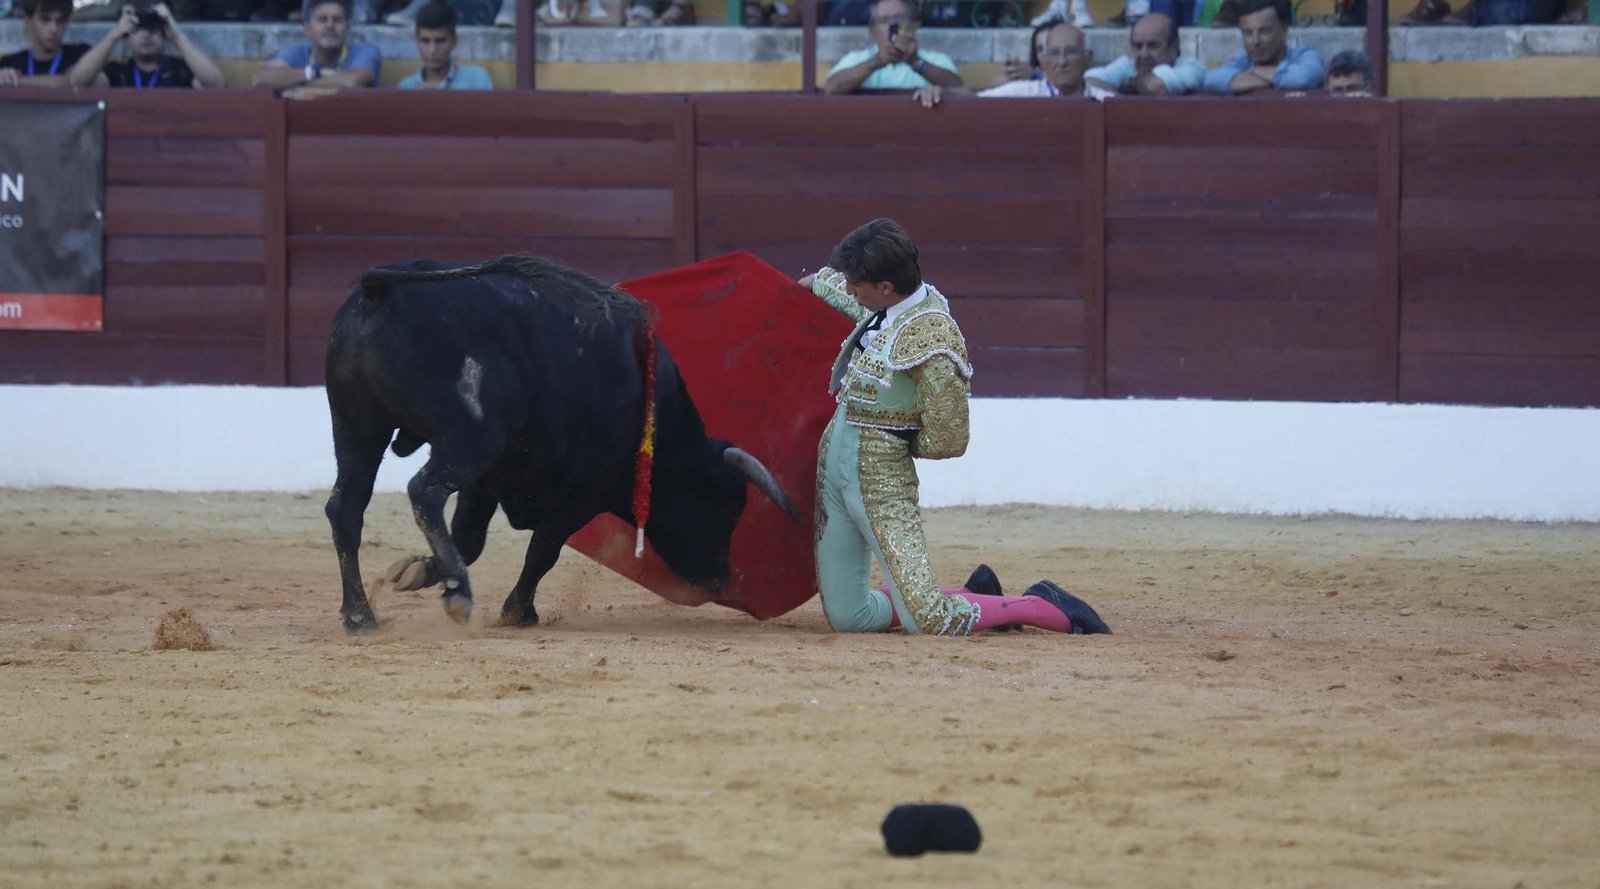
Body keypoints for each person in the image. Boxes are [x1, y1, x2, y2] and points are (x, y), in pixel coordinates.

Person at [798, 219, 1112, 637]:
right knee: (849, 617)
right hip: (832, 476)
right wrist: (816, 282)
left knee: (928, 620)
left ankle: (1040, 605)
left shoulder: (933, 337)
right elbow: (838, 288)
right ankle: (970, 593)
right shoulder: (884, 306)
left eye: (858, 283)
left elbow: (949, 437)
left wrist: (891, 443)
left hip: (879, 484)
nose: (851, 289)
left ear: (886, 286)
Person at [910, 21, 1095, 106]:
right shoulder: (1023, 91)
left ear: (1088, 59)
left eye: (1071, 53)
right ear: (1044, 61)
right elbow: (976, 98)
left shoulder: (1103, 97)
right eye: (1054, 54)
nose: (1062, 62)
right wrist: (943, 92)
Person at [66, 4, 225, 89]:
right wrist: (113, 35)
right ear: (126, 37)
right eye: (137, 27)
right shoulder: (117, 73)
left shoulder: (180, 71)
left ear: (164, 33)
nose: (147, 34)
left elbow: (215, 84)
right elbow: (78, 82)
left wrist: (176, 35)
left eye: (153, 27)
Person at [823, 0, 963, 95]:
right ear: (872, 30)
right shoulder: (855, 59)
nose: (892, 26)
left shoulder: (936, 59)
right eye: (884, 20)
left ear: (913, 26)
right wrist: (876, 61)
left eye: (900, 18)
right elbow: (831, 89)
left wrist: (915, 62)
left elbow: (959, 89)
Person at [251, 0, 381, 91]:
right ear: (308, 28)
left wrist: (295, 82)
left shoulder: (365, 51)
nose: (330, 26)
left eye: (337, 20)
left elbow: (351, 82)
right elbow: (260, 79)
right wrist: (310, 74)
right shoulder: (298, 53)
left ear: (347, 28)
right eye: (322, 20)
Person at [1201, 0, 1325, 95]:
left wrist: (1254, 72)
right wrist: (1281, 80)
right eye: (1248, 33)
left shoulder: (1306, 55)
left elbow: (1303, 79)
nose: (1255, 41)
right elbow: (1211, 79)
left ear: (1284, 31)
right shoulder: (1243, 62)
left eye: (1264, 31)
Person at [1084, 12, 1207, 96]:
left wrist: (1131, 84)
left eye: (1153, 46)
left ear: (1174, 50)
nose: (1144, 54)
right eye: (1138, 46)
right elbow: (1088, 81)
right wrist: (1119, 98)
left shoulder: (1192, 68)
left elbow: (1155, 86)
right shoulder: (1128, 65)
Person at [398, 2, 493, 89]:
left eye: (440, 41)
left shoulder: (477, 79)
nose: (432, 50)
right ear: (417, 41)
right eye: (425, 41)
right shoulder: (406, 87)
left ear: (454, 42)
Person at [0, 0, 91, 89]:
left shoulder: (82, 56)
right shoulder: (9, 64)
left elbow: (75, 82)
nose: (54, 29)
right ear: (28, 21)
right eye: (45, 20)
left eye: (60, 21)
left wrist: (17, 81)